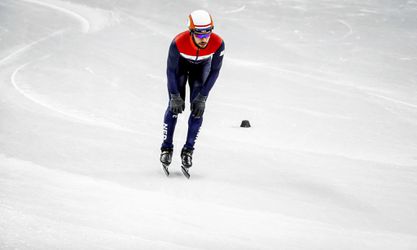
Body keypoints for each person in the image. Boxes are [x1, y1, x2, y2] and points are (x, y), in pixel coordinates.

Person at [160, 10, 225, 171]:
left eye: (207, 34)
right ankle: (166, 148)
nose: (204, 39)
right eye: (199, 34)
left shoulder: (218, 43)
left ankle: (188, 150)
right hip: (180, 69)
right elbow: (170, 70)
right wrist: (174, 95)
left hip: (201, 69)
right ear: (191, 32)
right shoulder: (178, 42)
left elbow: (215, 71)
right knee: (173, 107)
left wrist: (203, 97)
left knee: (198, 110)